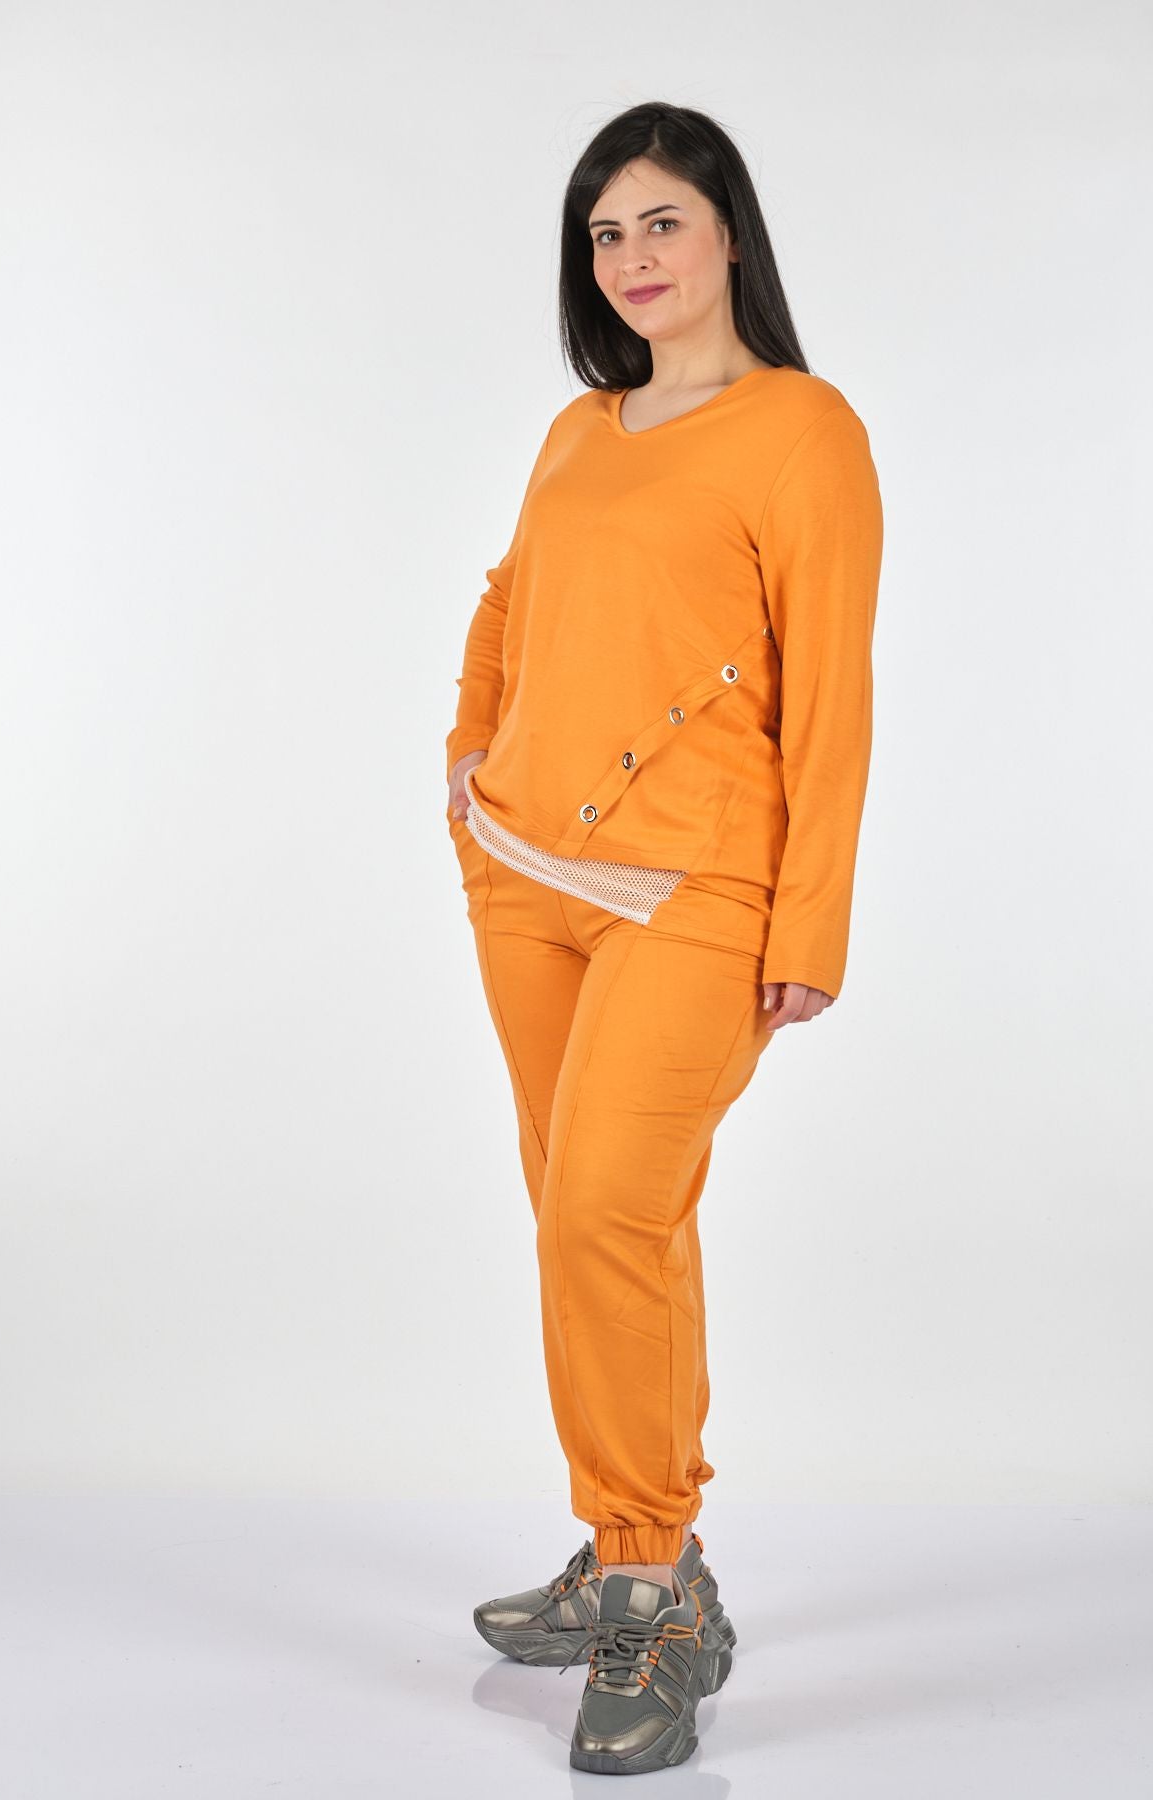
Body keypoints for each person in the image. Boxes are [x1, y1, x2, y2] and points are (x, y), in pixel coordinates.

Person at [444, 99, 884, 1776]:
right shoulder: (585, 427)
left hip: (698, 892)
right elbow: (510, 598)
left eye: (661, 223)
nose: (631, 259)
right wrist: (466, 750)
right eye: (605, 234)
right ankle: (640, 1548)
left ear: (729, 235)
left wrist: (812, 917)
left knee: (604, 1213)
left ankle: (650, 1593)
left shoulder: (804, 432)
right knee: (589, 1224)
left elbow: (832, 688)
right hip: (523, 874)